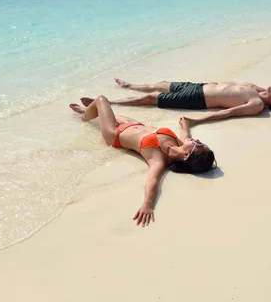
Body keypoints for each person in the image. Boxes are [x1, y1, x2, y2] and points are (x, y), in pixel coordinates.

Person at [69, 95, 216, 227]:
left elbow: (152, 180)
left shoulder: (160, 160)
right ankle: (88, 112)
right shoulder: (180, 143)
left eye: (198, 144)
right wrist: (186, 125)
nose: (197, 140)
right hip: (132, 124)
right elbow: (186, 135)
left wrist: (147, 204)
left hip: (115, 133)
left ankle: (83, 117)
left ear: (186, 155)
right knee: (103, 111)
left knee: (101, 100)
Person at [80, 79, 271, 126]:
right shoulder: (258, 89)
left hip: (197, 99)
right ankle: (130, 86)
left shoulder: (257, 104)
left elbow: (228, 114)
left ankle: (111, 103)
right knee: (162, 83)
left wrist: (197, 121)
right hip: (198, 86)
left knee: (151, 99)